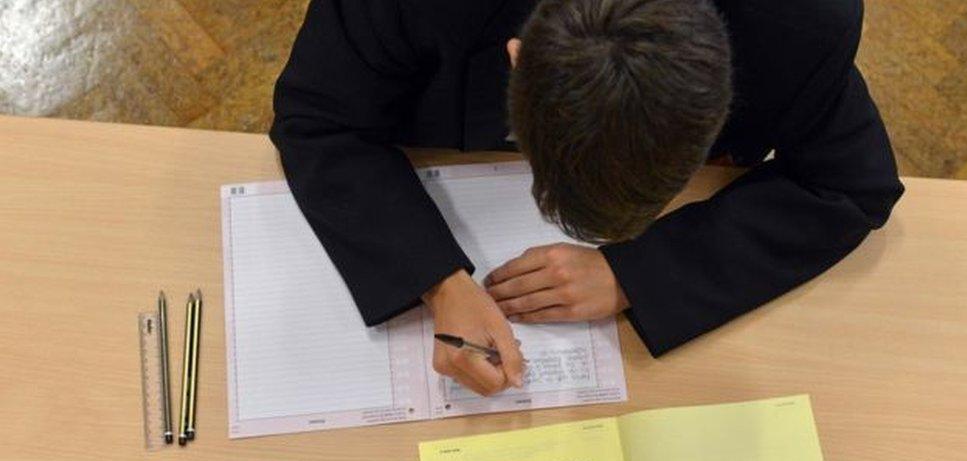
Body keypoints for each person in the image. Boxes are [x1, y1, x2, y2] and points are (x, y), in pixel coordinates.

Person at [270, 0, 903, 396]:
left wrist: (635, 270)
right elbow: (320, 114)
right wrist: (436, 279)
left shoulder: (799, 21)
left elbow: (852, 180)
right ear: (517, 60)